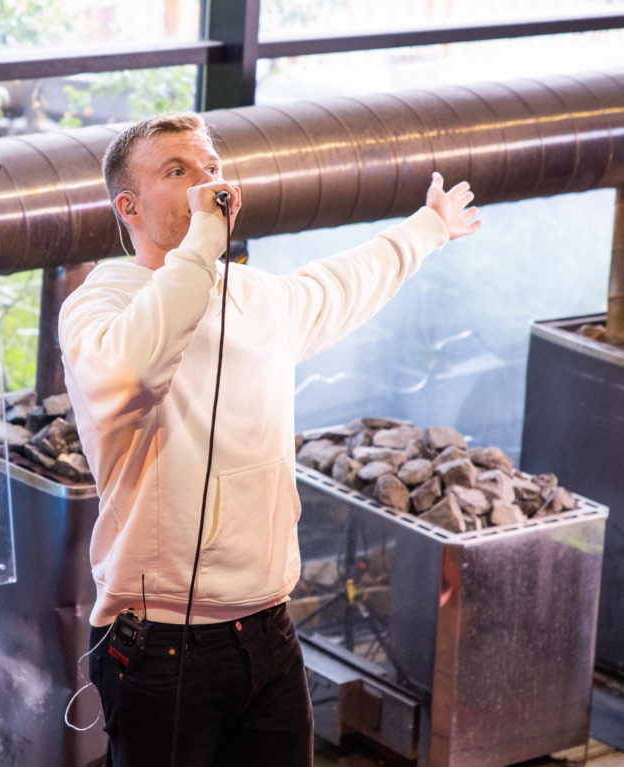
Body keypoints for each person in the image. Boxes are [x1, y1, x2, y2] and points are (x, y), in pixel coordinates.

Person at [57, 111, 481, 767]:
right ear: (129, 206)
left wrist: (429, 228)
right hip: (162, 646)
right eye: (179, 170)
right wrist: (200, 243)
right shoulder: (98, 306)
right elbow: (135, 368)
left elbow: (343, 281)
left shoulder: (258, 297)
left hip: (267, 630)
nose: (208, 183)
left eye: (212, 168)